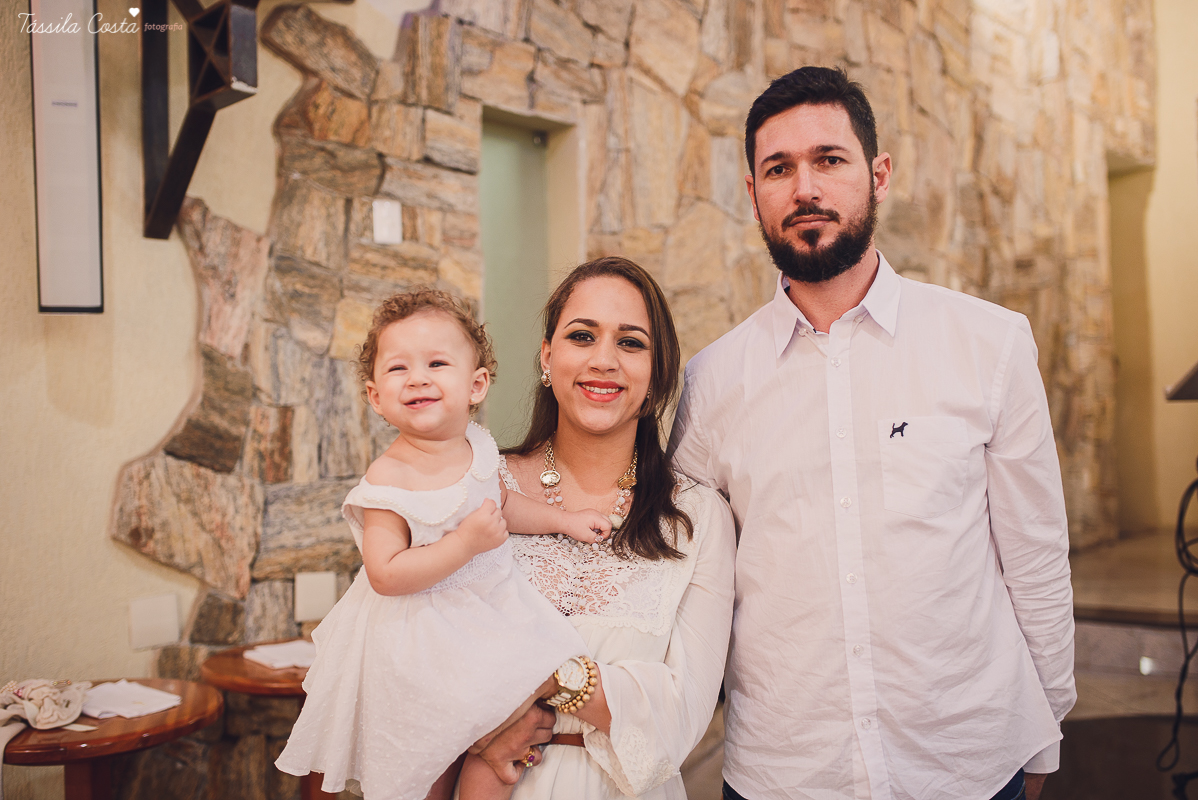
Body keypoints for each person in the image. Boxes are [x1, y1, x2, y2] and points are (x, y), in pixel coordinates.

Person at [669, 67, 1075, 800]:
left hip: (968, 762)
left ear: (878, 174)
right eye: (778, 169)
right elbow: (687, 583)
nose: (804, 189)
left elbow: (1035, 552)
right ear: (754, 192)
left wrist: (1046, 731)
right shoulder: (711, 382)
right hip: (786, 772)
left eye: (829, 160)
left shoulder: (990, 344)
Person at [275, 289, 617, 800]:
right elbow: (385, 573)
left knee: (507, 730)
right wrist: (464, 544)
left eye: (436, 363)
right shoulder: (388, 478)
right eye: (397, 369)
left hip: (480, 613)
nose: (417, 378)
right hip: (417, 635)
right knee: (428, 759)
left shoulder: (477, 445)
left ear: (475, 384)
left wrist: (562, 520)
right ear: (375, 396)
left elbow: (501, 504)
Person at [473, 256, 737, 799]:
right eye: (582, 335)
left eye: (631, 342)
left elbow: (687, 709)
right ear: (548, 356)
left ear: (658, 372)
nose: (604, 360)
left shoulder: (696, 517)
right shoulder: (479, 487)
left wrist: (554, 679)